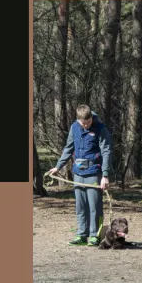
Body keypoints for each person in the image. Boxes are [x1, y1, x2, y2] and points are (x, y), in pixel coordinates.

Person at [47, 105, 112, 246]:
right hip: (78, 172)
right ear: (78, 120)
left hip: (94, 172)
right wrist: (58, 166)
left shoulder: (100, 129)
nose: (86, 125)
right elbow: (69, 148)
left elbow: (106, 151)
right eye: (83, 123)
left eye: (88, 122)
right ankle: (82, 234)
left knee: (95, 205)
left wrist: (105, 175)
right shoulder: (74, 128)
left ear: (91, 118)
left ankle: (95, 234)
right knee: (80, 205)